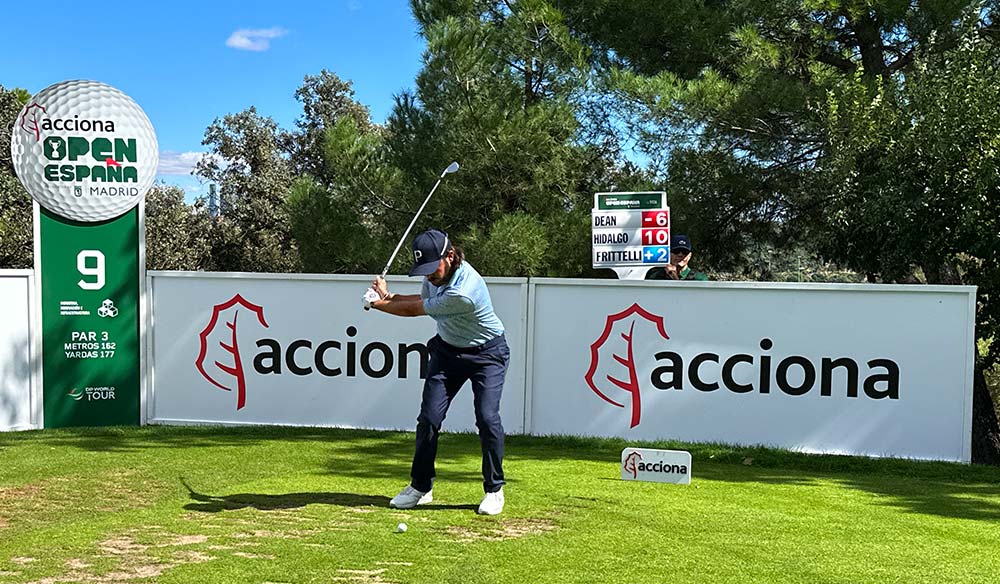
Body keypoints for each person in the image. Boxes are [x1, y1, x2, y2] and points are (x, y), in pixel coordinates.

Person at [366, 229, 510, 515]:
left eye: (433, 268)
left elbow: (414, 311)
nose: (429, 275)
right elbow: (416, 301)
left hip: (488, 354)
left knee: (487, 418)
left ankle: (494, 490)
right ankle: (421, 487)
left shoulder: (464, 292)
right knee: (429, 418)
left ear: (451, 256)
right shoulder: (434, 275)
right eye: (425, 269)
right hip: (447, 352)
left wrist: (375, 304)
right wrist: (388, 295)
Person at [645, 234, 709, 281]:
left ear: (689, 256)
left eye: (684, 252)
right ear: (669, 253)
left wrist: (675, 278)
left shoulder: (699, 278)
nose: (680, 255)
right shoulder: (654, 275)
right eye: (676, 251)